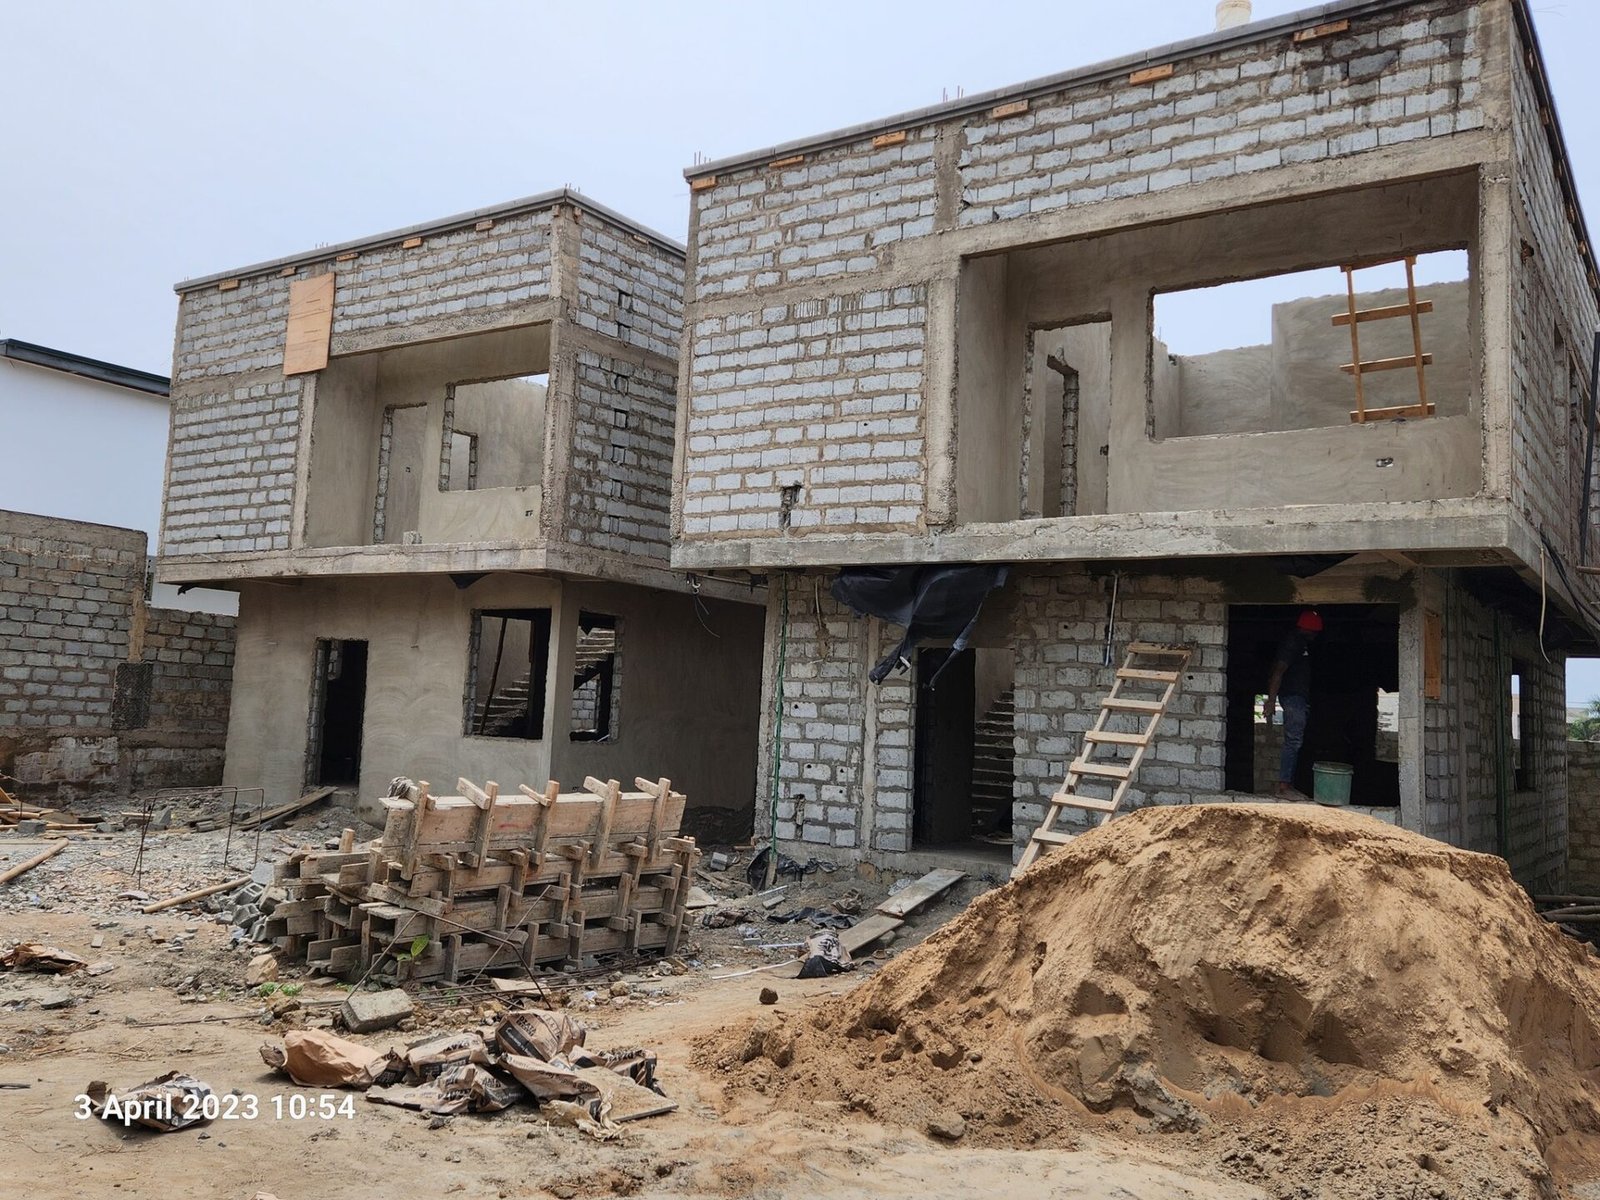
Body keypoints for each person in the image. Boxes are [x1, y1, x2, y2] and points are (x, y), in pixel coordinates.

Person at [1263, 609, 1322, 799]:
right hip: (1292, 697)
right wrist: (1271, 700)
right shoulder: (1292, 643)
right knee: (1293, 740)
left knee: (1295, 740)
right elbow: (1278, 672)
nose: (1316, 635)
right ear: (1310, 630)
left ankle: (1287, 785)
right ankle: (1283, 787)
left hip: (1297, 697)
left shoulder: (1300, 643)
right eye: (1315, 632)